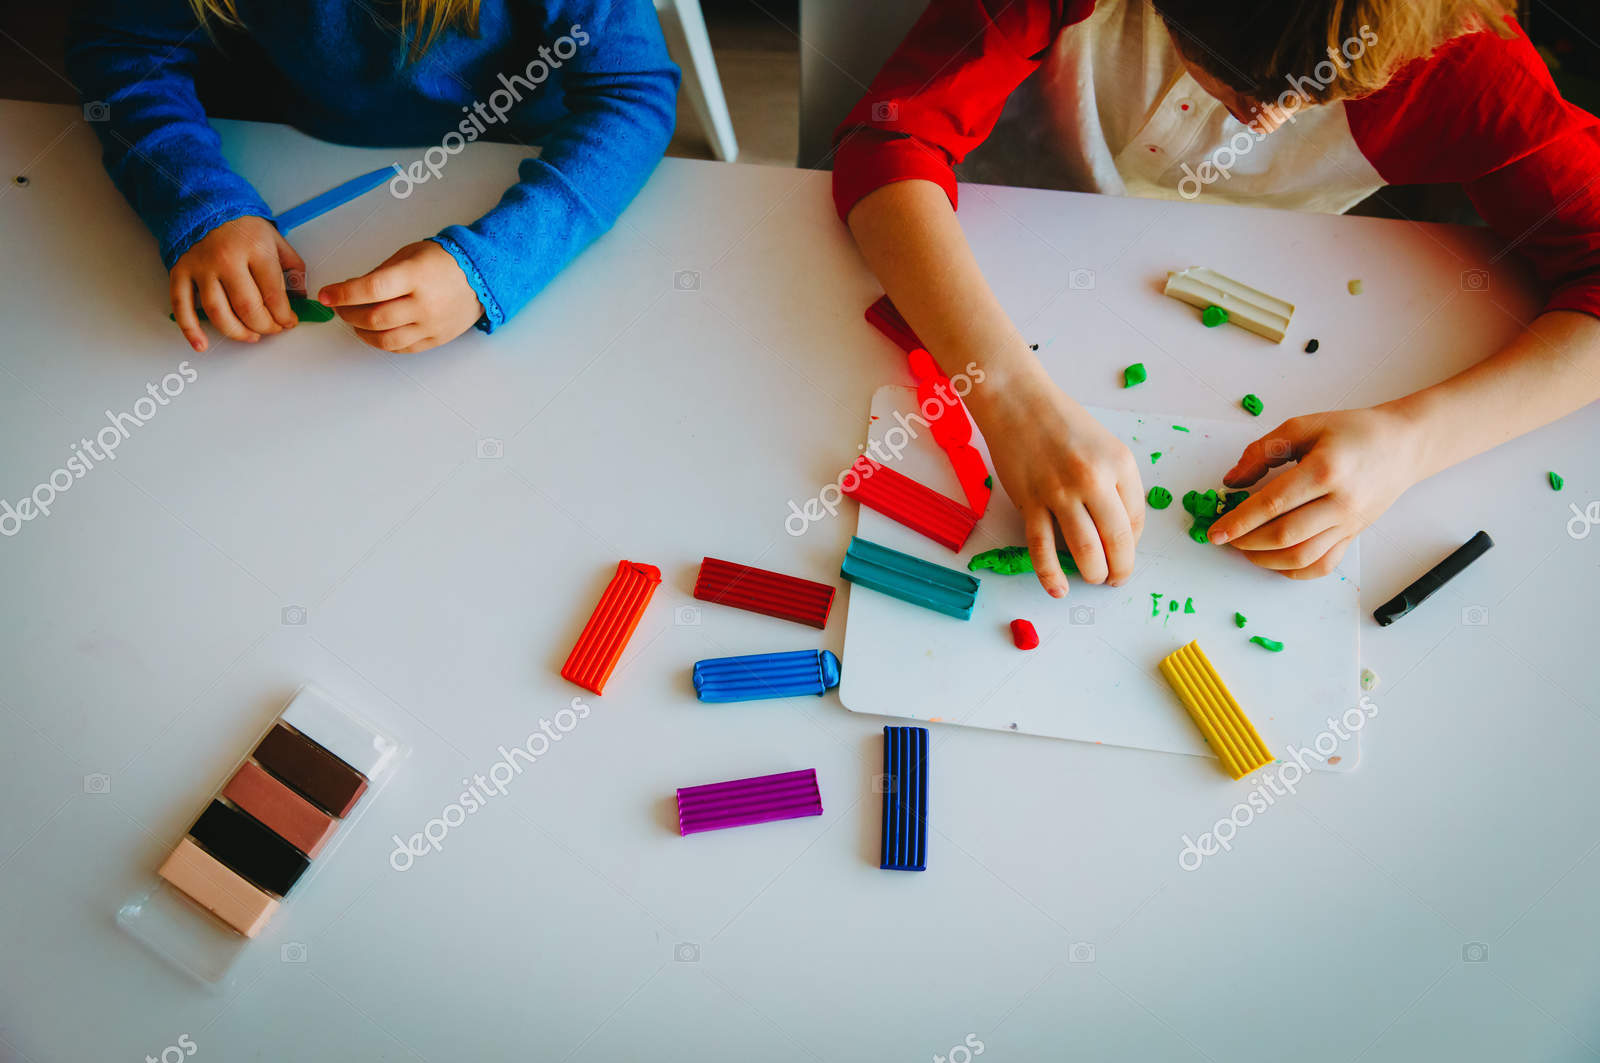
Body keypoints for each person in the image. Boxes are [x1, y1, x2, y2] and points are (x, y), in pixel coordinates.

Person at [833, 0, 1600, 589]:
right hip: (982, 240)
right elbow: (886, 144)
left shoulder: (1462, 58)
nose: (1268, 115)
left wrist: (1412, 441)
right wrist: (1006, 398)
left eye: (1318, 91)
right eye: (1234, 76)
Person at [68, 0, 679, 354]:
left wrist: (493, 264)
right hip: (279, 135)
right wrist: (197, 199)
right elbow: (121, 49)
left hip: (510, 140)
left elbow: (631, 92)